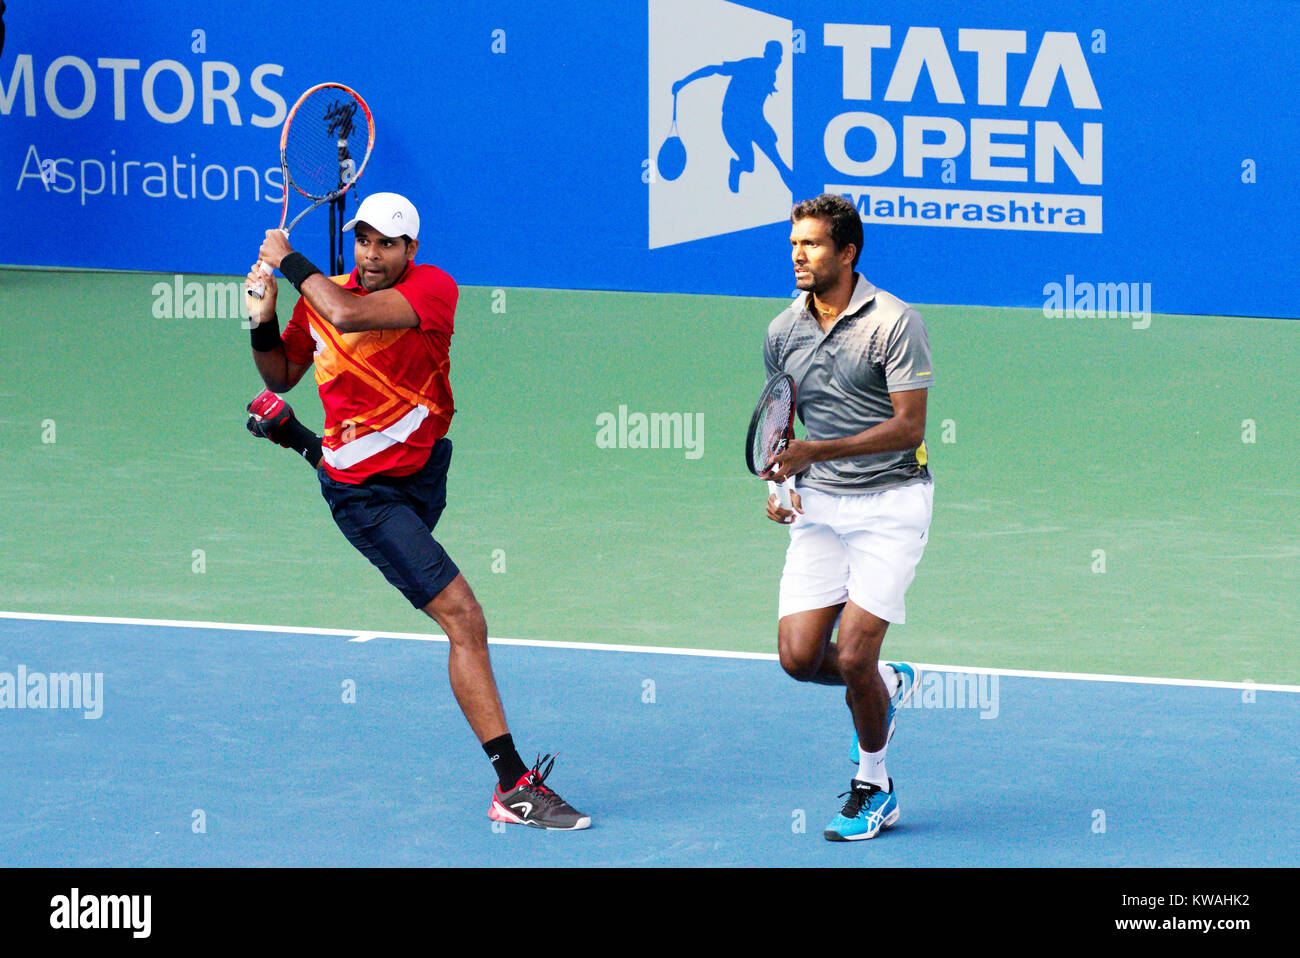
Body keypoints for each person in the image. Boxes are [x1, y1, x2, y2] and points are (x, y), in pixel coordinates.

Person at [242, 192, 590, 830]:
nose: (371, 255)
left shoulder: (432, 290)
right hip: (365, 497)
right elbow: (281, 374)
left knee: (368, 474)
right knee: (465, 618)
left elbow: (347, 314)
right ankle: (512, 785)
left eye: (386, 244)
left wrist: (289, 261)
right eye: (363, 241)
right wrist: (262, 320)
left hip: (425, 472)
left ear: (411, 251)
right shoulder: (319, 296)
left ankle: (298, 440)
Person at [763, 193, 933, 841]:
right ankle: (889, 684)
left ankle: (874, 784)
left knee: (855, 655)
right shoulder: (782, 331)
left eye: (811, 245)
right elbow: (784, 421)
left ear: (847, 252)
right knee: (799, 657)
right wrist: (781, 480)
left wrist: (817, 452)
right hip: (821, 504)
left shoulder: (896, 322)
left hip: (893, 502)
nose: (799, 256)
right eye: (794, 245)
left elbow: (908, 426)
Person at [672, 40, 794, 193]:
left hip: (755, 121)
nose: (778, 60)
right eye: (775, 55)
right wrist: (683, 82)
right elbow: (714, 69)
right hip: (733, 121)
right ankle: (737, 167)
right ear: (766, 55)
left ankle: (801, 193)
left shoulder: (771, 75)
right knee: (749, 164)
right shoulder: (749, 65)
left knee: (778, 162)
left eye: (779, 56)